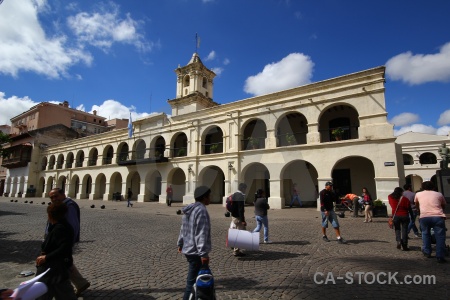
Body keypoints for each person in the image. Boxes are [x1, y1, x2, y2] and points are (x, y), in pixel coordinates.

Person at [47, 188, 90, 297]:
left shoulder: (69, 206)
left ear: (63, 194)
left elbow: (73, 225)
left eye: (56, 196)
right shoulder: (61, 205)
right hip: (58, 240)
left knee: (60, 262)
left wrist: (68, 242)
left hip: (62, 241)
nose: (54, 199)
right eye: (51, 197)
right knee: (64, 262)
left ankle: (64, 290)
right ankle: (80, 283)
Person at [36, 202, 77, 300]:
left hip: (54, 269)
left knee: (62, 293)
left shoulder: (60, 228)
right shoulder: (60, 226)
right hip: (55, 269)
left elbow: (64, 248)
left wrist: (46, 257)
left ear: (49, 215)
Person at [177, 186, 212, 300]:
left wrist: (180, 243)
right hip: (195, 251)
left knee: (198, 279)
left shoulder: (189, 209)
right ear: (204, 197)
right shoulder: (201, 210)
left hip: (188, 248)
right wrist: (203, 254)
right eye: (209, 196)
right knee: (192, 282)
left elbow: (183, 228)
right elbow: (201, 233)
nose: (210, 199)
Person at [414, 181, 447, 263]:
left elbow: (416, 204)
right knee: (440, 236)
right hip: (438, 216)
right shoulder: (439, 194)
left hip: (424, 216)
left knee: (425, 234)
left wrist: (419, 210)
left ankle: (427, 251)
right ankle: (440, 255)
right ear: (433, 186)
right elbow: (443, 205)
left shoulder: (418, 194)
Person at [388, 187, 412, 251]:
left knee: (397, 229)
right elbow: (409, 208)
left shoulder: (391, 197)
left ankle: (398, 241)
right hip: (404, 215)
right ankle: (404, 244)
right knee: (404, 230)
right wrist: (412, 216)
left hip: (395, 215)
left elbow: (390, 197)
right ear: (401, 192)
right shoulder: (405, 199)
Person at [230, 183, 248, 256]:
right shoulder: (240, 196)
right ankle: (236, 251)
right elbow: (240, 209)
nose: (245, 190)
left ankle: (232, 244)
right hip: (238, 217)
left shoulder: (234, 194)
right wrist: (243, 220)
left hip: (233, 216)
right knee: (239, 233)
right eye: (245, 189)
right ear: (243, 189)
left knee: (235, 231)